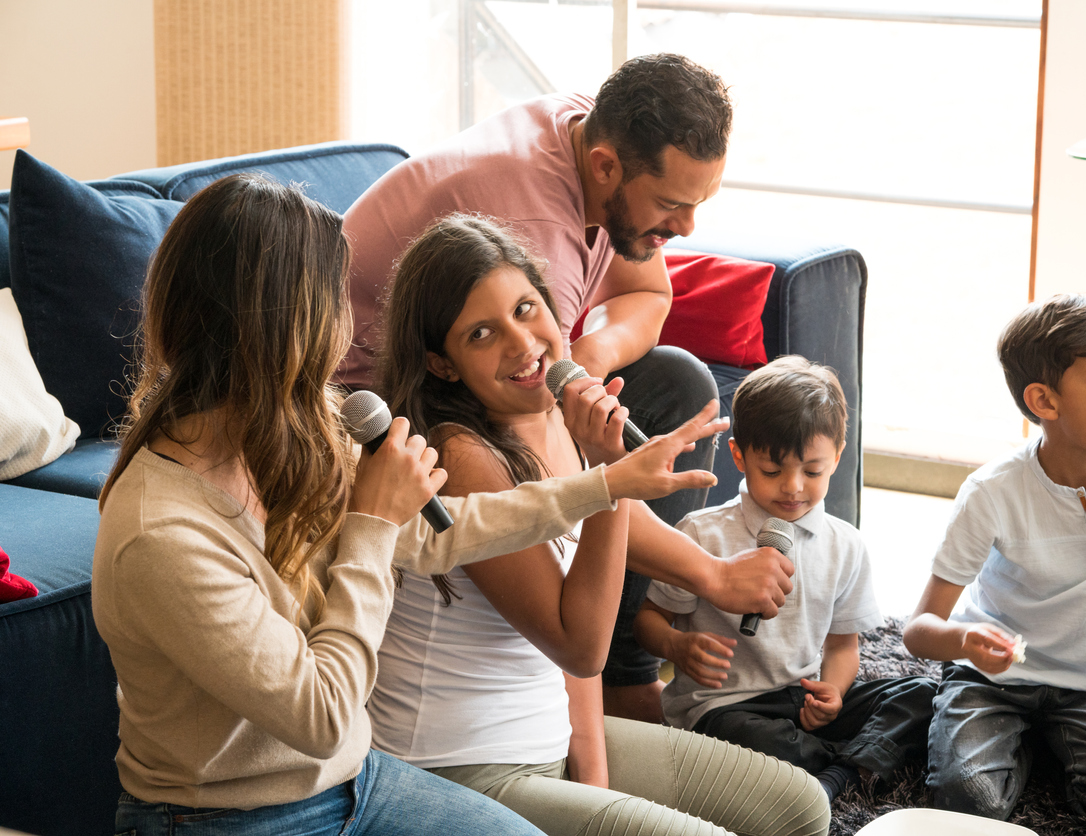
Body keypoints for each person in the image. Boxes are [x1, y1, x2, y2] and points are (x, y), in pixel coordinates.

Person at [92, 174, 728, 836]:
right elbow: (321, 715)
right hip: (224, 814)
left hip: (354, 777)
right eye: (331, 304)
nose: (344, 331)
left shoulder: (299, 434)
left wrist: (606, 484)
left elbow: (436, 535)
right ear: (282, 330)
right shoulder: (161, 534)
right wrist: (370, 524)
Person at [339, 54, 790, 721]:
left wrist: (583, 359)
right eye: (671, 205)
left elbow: (644, 292)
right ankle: (621, 668)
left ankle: (624, 647)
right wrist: (708, 572)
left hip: (473, 370)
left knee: (670, 381)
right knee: (622, 436)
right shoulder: (535, 230)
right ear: (607, 165)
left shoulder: (587, 125)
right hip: (378, 399)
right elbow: (570, 476)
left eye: (697, 203)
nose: (687, 228)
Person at [367, 214, 831, 836]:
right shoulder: (460, 456)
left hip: (547, 736)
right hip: (464, 767)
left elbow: (580, 584)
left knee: (801, 807)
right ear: (442, 363)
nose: (522, 343)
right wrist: (613, 481)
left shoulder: (554, 414)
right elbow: (580, 642)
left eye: (526, 309)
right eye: (482, 333)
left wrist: (595, 782)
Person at [902, 294, 1086, 833]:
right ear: (1045, 400)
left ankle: (1032, 747)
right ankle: (1014, 743)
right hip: (990, 682)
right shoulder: (990, 491)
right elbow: (918, 631)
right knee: (966, 801)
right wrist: (964, 643)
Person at [634, 356, 937, 802]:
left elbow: (842, 647)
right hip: (726, 710)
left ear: (837, 456)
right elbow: (648, 621)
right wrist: (676, 646)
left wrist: (832, 692)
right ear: (739, 455)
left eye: (812, 471)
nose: (793, 487)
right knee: (753, 740)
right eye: (772, 471)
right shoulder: (702, 533)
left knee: (924, 693)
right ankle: (855, 765)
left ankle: (826, 775)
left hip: (801, 700)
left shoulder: (846, 545)